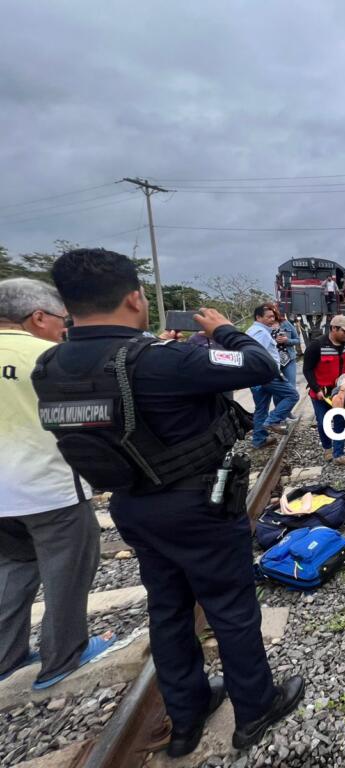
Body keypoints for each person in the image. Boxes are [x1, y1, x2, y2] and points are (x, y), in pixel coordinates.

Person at [35, 249, 303, 756]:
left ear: (67, 305)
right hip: (198, 506)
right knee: (230, 607)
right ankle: (255, 708)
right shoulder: (161, 359)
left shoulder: (51, 366)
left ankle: (186, 715)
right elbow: (260, 363)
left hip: (131, 505)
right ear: (135, 299)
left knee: (168, 608)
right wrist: (225, 329)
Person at [0, 278, 112, 692]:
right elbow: (93, 416)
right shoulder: (50, 357)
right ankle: (62, 657)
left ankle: (6, 655)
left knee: (12, 570)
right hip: (49, 488)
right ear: (37, 317)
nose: (65, 329)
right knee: (67, 572)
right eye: (62, 320)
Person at [303, 315, 345, 467]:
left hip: (342, 393)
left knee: (340, 421)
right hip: (321, 393)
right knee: (323, 422)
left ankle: (338, 454)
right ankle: (327, 448)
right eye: (344, 331)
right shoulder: (317, 346)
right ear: (334, 328)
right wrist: (316, 389)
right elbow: (307, 370)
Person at [246, 306, 298, 448]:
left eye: (273, 316)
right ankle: (273, 420)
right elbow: (255, 355)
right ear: (258, 317)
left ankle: (259, 440)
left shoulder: (253, 330)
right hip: (266, 375)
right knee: (292, 395)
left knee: (261, 408)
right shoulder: (261, 333)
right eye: (268, 317)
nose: (272, 319)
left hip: (257, 377)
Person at [272, 306, 301, 390]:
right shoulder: (265, 326)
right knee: (276, 389)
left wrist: (287, 340)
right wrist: (274, 341)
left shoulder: (286, 323)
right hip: (273, 361)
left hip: (289, 359)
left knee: (291, 387)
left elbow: (297, 340)